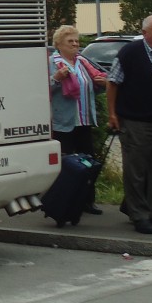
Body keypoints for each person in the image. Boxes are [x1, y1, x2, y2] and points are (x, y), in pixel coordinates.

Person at [107, 14, 152, 235]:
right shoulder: (130, 53)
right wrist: (112, 114)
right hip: (138, 122)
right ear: (145, 33)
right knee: (136, 171)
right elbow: (113, 82)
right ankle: (139, 215)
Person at [48, 24, 108, 213]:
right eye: (70, 41)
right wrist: (56, 78)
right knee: (66, 166)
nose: (75, 45)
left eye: (77, 41)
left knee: (88, 162)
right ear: (59, 44)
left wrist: (102, 84)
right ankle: (63, 202)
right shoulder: (52, 62)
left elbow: (91, 88)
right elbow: (41, 90)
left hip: (84, 120)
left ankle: (87, 201)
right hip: (63, 123)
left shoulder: (83, 62)